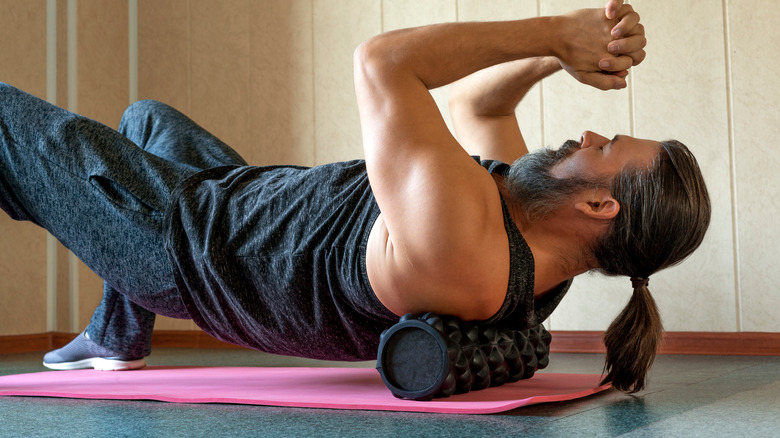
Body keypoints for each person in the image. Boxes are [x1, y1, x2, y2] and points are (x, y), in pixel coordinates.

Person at [0, 0, 709, 394]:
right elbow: (477, 101)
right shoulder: (519, 225)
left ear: (598, 207)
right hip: (229, 202)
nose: (587, 134)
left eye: (606, 147)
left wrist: (556, 29)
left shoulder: (465, 249)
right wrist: (560, 55)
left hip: (181, 244)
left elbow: (383, 60)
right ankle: (118, 336)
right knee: (149, 119)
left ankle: (131, 294)